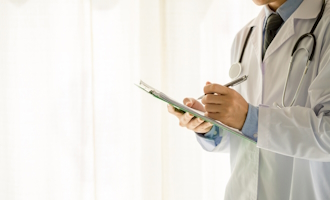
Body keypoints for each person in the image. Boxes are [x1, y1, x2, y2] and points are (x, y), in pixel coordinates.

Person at [167, 0, 330, 199]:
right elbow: (251, 138)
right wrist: (212, 126)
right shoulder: (244, 37)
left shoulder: (326, 24)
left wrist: (250, 119)